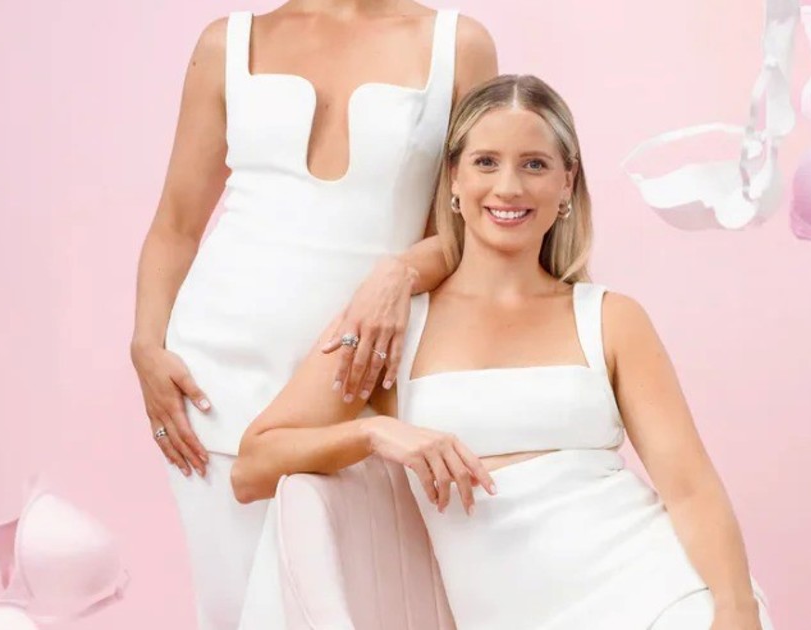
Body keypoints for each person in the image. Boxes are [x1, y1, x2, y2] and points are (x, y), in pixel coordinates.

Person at [232, 74, 775, 629]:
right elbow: (252, 467)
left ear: (567, 183)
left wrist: (736, 609)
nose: (509, 187)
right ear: (454, 177)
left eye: (535, 164)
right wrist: (373, 433)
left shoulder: (610, 318)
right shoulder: (393, 325)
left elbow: (690, 489)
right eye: (486, 162)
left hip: (661, 595)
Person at [128, 1, 497, 627]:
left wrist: (400, 272)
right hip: (215, 380)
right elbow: (176, 224)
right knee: (231, 612)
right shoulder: (227, 44)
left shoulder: (457, 45)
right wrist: (145, 345)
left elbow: (476, 221)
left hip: (359, 382)